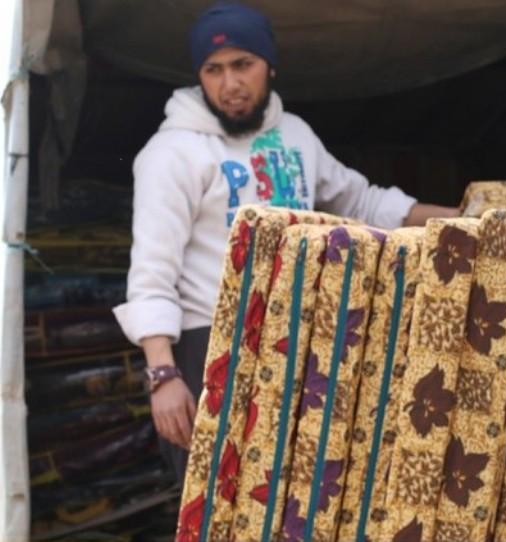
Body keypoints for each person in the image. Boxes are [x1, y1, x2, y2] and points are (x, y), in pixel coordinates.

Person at [112, 2, 459, 484]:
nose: (230, 84)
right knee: (216, 495)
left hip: (298, 336)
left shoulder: (294, 135)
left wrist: (463, 218)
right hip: (211, 344)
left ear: (270, 66)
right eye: (214, 70)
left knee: (297, 494)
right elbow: (152, 271)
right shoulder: (172, 154)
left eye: (243, 64)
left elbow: (359, 201)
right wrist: (163, 375)